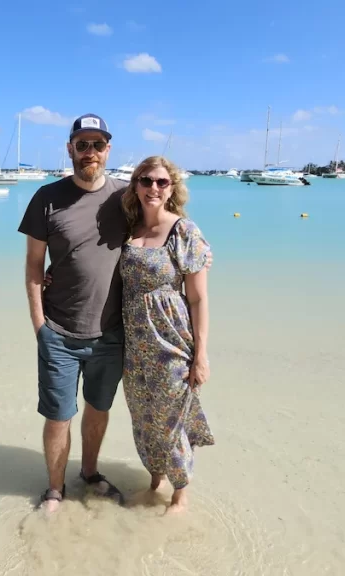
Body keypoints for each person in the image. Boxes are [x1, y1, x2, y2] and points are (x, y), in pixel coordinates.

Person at [18, 114, 129, 513]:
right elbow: (33, 265)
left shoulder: (126, 197)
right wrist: (39, 326)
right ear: (69, 149)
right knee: (58, 418)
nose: (90, 152)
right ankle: (54, 489)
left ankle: (91, 473)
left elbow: (159, 234)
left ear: (108, 150)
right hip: (59, 332)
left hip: (112, 333)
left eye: (98, 145)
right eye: (82, 145)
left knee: (99, 411)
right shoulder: (46, 198)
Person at [119, 155, 213, 514]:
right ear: (136, 185)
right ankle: (155, 479)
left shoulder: (184, 231)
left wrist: (200, 355)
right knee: (143, 416)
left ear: (172, 187)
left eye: (161, 182)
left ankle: (180, 493)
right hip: (133, 344)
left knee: (171, 417)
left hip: (172, 342)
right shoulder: (128, 228)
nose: (153, 188)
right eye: (146, 181)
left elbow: (199, 298)